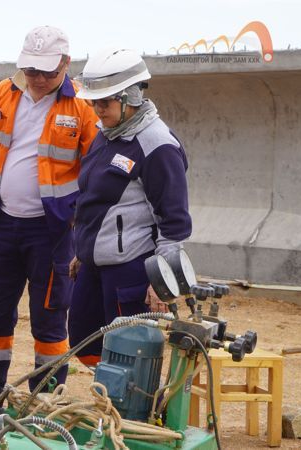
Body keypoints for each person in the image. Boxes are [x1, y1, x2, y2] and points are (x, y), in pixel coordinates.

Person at [0, 25, 98, 411]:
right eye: (31, 71)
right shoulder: (3, 92)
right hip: (3, 224)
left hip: (52, 231)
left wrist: (77, 221)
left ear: (66, 65)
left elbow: (94, 172)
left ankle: (45, 398)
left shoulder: (82, 107)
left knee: (50, 316)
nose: (38, 80)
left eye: (46, 72)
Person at [69, 48, 192, 365]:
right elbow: (94, 199)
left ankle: (129, 409)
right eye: (93, 102)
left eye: (105, 102)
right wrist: (83, 252)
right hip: (95, 265)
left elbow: (173, 221)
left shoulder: (158, 144)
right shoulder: (106, 134)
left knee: (129, 353)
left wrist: (162, 278)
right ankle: (108, 400)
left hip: (131, 269)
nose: (97, 109)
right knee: (86, 345)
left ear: (130, 97)